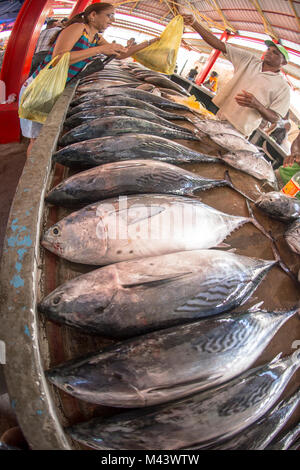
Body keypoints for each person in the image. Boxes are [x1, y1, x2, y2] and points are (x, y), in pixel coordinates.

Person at [20, 3, 159, 157]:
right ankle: (33, 174)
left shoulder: (96, 37)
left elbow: (121, 54)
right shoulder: (79, 28)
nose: (112, 20)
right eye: (109, 15)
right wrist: (99, 49)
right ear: (93, 15)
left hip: (55, 89)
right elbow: (58, 58)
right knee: (38, 139)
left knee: (46, 136)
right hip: (41, 87)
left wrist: (150, 43)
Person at [182, 15, 290, 138]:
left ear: (283, 63)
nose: (269, 52)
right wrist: (195, 23)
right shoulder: (249, 60)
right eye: (269, 50)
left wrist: (257, 105)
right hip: (219, 117)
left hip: (238, 132)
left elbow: (275, 118)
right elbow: (219, 44)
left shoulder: (283, 87)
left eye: (275, 53)